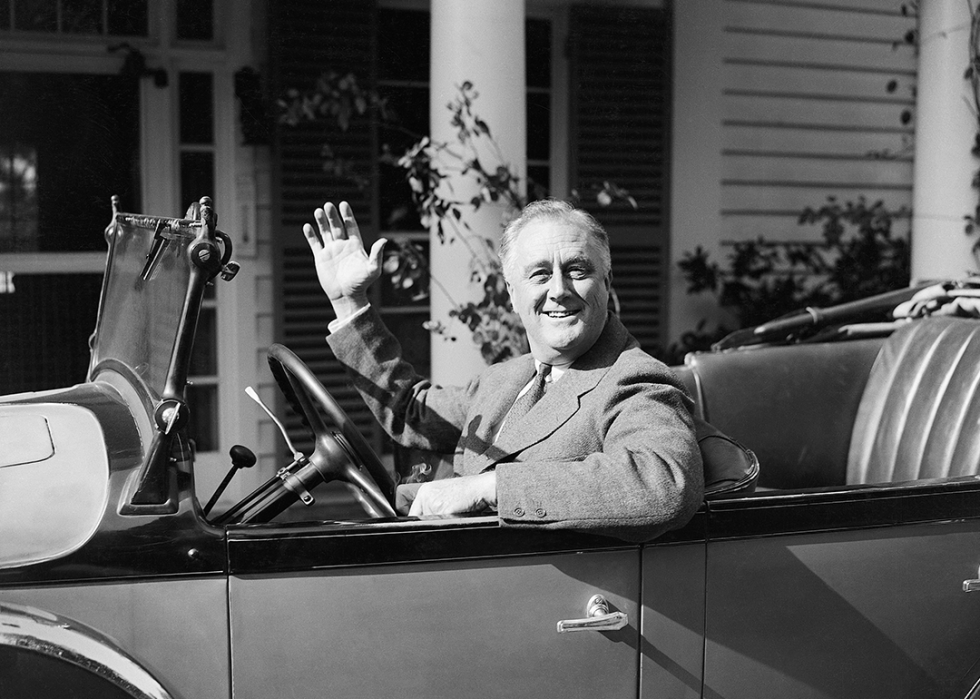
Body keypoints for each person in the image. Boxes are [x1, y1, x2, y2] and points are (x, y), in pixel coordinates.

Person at [303, 198, 703, 542]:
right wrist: (349, 304)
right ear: (513, 294)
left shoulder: (634, 378)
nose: (559, 290)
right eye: (540, 274)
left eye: (578, 270)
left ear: (606, 282)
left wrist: (487, 489)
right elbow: (411, 411)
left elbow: (663, 483)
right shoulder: (504, 380)